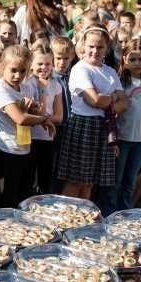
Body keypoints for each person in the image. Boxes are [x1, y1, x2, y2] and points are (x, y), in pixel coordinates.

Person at [56, 27, 125, 201]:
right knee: (76, 181)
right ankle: (64, 221)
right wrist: (113, 98)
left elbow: (125, 103)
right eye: (91, 46)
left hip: (104, 127)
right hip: (83, 126)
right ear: (83, 46)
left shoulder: (110, 71)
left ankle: (81, 222)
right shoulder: (81, 69)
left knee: (90, 183)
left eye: (100, 47)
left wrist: (108, 100)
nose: (95, 51)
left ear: (107, 49)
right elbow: (93, 100)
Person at [0, 45, 51, 208]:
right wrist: (43, 119)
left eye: (23, 71)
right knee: (2, 202)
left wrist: (35, 109)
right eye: (13, 70)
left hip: (24, 149)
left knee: (22, 199)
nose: (18, 75)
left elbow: (30, 111)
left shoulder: (26, 86)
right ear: (2, 68)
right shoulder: (1, 90)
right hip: (5, 151)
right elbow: (20, 118)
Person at [100, 38, 141, 216]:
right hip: (122, 139)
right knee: (115, 181)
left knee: (130, 181)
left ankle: (124, 214)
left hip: (140, 141)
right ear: (124, 59)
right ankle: (109, 214)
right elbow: (112, 113)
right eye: (132, 59)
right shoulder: (120, 82)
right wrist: (113, 139)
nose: (137, 63)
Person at [25, 44, 63, 194]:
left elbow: (59, 117)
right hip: (29, 139)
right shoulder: (27, 84)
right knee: (28, 180)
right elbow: (34, 113)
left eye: (48, 64)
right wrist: (42, 91)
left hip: (47, 139)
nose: (44, 67)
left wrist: (41, 118)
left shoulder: (56, 85)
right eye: (40, 63)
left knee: (45, 180)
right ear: (32, 64)